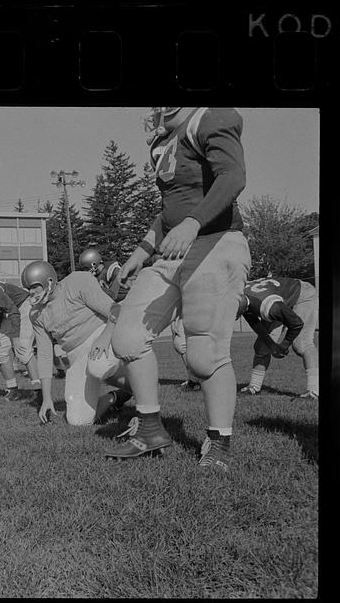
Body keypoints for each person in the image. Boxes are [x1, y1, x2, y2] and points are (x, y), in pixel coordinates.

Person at [104, 107, 251, 470]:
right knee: (128, 338)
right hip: (173, 248)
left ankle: (219, 444)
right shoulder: (162, 137)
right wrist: (143, 248)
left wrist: (192, 223)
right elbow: (171, 207)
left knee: (204, 355)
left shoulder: (210, 116)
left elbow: (233, 176)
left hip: (215, 240)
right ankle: (151, 430)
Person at [22, 260, 131, 426]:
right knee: (78, 420)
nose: (31, 292)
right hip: (75, 355)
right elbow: (44, 355)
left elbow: (115, 310)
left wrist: (104, 338)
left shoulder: (77, 281)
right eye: (28, 288)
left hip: (101, 334)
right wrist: (46, 398)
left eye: (34, 287)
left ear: (49, 281)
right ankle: (115, 397)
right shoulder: (36, 313)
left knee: (99, 365)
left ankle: (141, 387)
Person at [237, 276, 319, 399]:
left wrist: (283, 346)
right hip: (278, 298)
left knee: (302, 343)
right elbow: (254, 321)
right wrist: (271, 344)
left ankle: (314, 390)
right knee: (262, 345)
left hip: (302, 295)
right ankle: (254, 387)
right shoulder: (238, 294)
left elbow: (296, 323)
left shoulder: (268, 305)